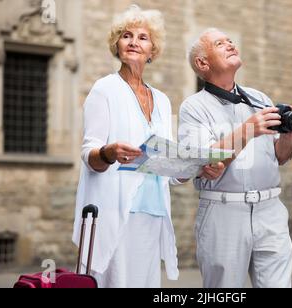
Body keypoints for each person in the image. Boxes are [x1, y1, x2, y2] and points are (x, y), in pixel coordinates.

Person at [72, 5, 216, 288]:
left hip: (153, 213)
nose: (134, 41)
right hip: (115, 212)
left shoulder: (161, 100)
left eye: (142, 37)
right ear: (117, 44)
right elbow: (90, 155)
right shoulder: (105, 89)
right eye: (127, 35)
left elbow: (169, 168)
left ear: (153, 50)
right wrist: (108, 153)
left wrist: (196, 168)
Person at [178, 28, 292, 288]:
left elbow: (279, 157)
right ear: (203, 63)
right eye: (220, 43)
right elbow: (203, 163)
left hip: (270, 209)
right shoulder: (194, 108)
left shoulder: (259, 99)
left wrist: (290, 137)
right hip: (223, 211)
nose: (230, 44)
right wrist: (248, 129)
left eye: (230, 40)